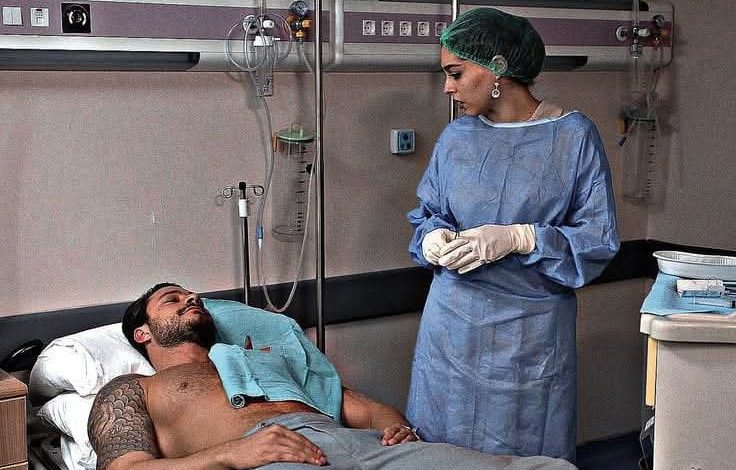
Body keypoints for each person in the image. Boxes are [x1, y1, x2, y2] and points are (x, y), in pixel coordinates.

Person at [405, 7, 620, 463]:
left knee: (524, 456)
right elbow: (429, 214)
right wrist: (432, 238)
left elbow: (597, 240)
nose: (447, 88)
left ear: (497, 67)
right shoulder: (456, 139)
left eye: (456, 73)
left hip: (529, 338)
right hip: (451, 329)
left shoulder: (573, 137)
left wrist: (524, 238)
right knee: (442, 452)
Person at [87, 282, 577, 470]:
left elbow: (351, 404)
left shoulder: (258, 358)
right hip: (265, 458)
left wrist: (394, 425)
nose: (191, 299)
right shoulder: (132, 390)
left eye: (193, 296)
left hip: (355, 444)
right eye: (172, 300)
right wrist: (231, 454)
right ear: (142, 333)